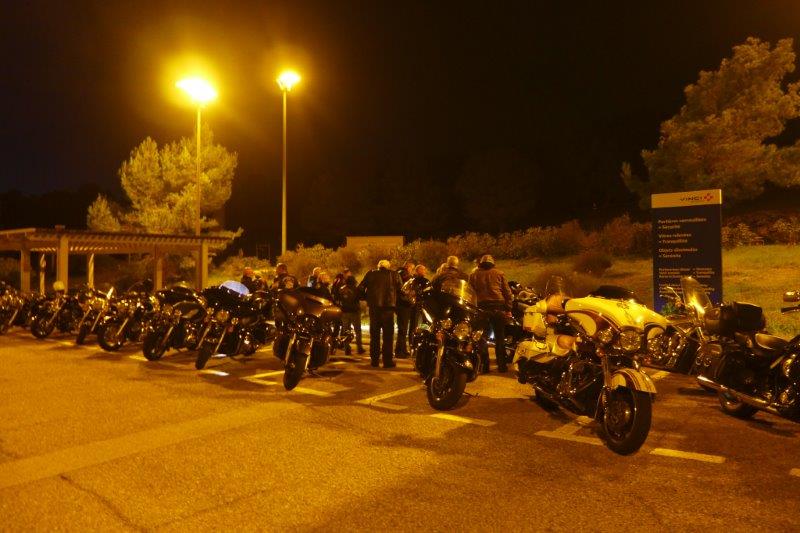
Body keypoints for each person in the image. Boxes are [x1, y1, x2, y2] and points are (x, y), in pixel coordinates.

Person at [469, 254, 513, 373]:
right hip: (498, 307)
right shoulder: (499, 273)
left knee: (482, 337)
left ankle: (485, 366)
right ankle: (502, 366)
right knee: (500, 337)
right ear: (493, 263)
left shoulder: (474, 275)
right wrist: (508, 308)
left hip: (482, 308)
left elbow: (470, 293)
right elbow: (507, 292)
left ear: (480, 263)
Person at [357, 259, 403, 368]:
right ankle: (387, 361)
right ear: (388, 266)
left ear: (378, 266)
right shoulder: (394, 275)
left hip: (374, 309)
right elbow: (401, 289)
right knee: (388, 336)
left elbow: (360, 288)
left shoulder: (370, 274)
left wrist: (366, 298)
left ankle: (374, 360)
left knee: (374, 335)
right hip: (388, 309)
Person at [338, 275, 365, 355]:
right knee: (358, 330)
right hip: (355, 311)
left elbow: (339, 299)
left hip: (344, 311)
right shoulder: (356, 289)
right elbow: (362, 297)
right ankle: (359, 348)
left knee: (346, 330)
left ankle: (347, 348)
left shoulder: (341, 289)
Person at [394, 261, 415, 357]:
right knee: (402, 329)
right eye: (412, 268)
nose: (412, 270)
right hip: (403, 304)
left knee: (402, 328)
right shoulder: (404, 274)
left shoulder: (398, 273)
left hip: (399, 303)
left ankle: (402, 349)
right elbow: (405, 289)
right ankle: (399, 351)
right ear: (407, 266)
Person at [407, 263, 430, 332]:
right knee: (419, 321)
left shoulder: (412, 280)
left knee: (418, 321)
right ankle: (416, 334)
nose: (424, 271)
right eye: (422, 269)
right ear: (417, 271)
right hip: (419, 304)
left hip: (418, 304)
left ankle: (415, 334)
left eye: (424, 269)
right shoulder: (422, 281)